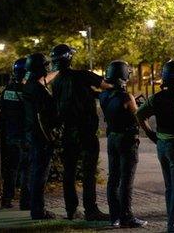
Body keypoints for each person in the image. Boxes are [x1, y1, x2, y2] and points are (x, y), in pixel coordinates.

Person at [50, 44, 112, 221]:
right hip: (86, 130)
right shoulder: (83, 75)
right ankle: (91, 210)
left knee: (69, 172)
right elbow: (107, 86)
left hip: (68, 131)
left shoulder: (57, 82)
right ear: (70, 58)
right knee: (88, 171)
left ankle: (71, 210)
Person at [137, 60, 174, 233]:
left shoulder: (156, 97)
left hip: (161, 144)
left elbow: (139, 114)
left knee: (170, 187)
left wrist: (150, 133)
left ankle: (172, 221)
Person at [98, 60, 147, 228]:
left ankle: (115, 217)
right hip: (127, 139)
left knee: (114, 178)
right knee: (126, 180)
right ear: (124, 75)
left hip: (112, 138)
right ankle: (127, 216)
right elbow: (138, 117)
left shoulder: (103, 95)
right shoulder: (126, 96)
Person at [22, 53, 58, 220]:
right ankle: (38, 210)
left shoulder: (30, 85)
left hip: (34, 135)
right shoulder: (37, 89)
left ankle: (37, 208)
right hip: (41, 137)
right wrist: (49, 137)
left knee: (36, 173)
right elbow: (40, 117)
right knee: (40, 174)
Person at [0, 58, 30, 210]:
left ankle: (7, 198)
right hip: (24, 136)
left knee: (11, 168)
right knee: (26, 169)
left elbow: (3, 113)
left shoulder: (7, 90)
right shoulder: (28, 91)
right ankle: (26, 200)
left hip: (10, 135)